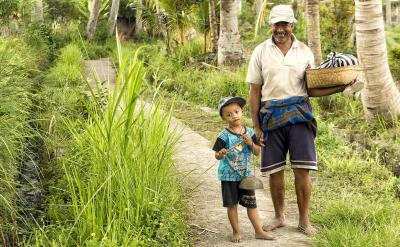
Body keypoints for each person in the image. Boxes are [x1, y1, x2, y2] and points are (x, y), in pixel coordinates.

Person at [246, 4, 350, 236]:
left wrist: (339, 87)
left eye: (285, 24)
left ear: (292, 25)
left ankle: (304, 220)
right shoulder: (260, 52)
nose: (280, 29)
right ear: (270, 25)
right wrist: (256, 126)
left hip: (301, 116)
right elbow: (254, 91)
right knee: (275, 171)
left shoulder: (304, 51)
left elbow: (311, 88)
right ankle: (279, 216)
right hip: (271, 117)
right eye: (277, 24)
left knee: (303, 170)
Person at [212, 96, 275, 243]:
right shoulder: (223, 136)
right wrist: (220, 154)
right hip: (229, 176)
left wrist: (250, 143)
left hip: (245, 175)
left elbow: (257, 152)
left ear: (242, 111)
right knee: (232, 204)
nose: (234, 116)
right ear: (223, 118)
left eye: (236, 111)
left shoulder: (250, 133)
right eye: (229, 114)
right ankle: (236, 231)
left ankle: (259, 231)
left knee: (251, 204)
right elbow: (217, 155)